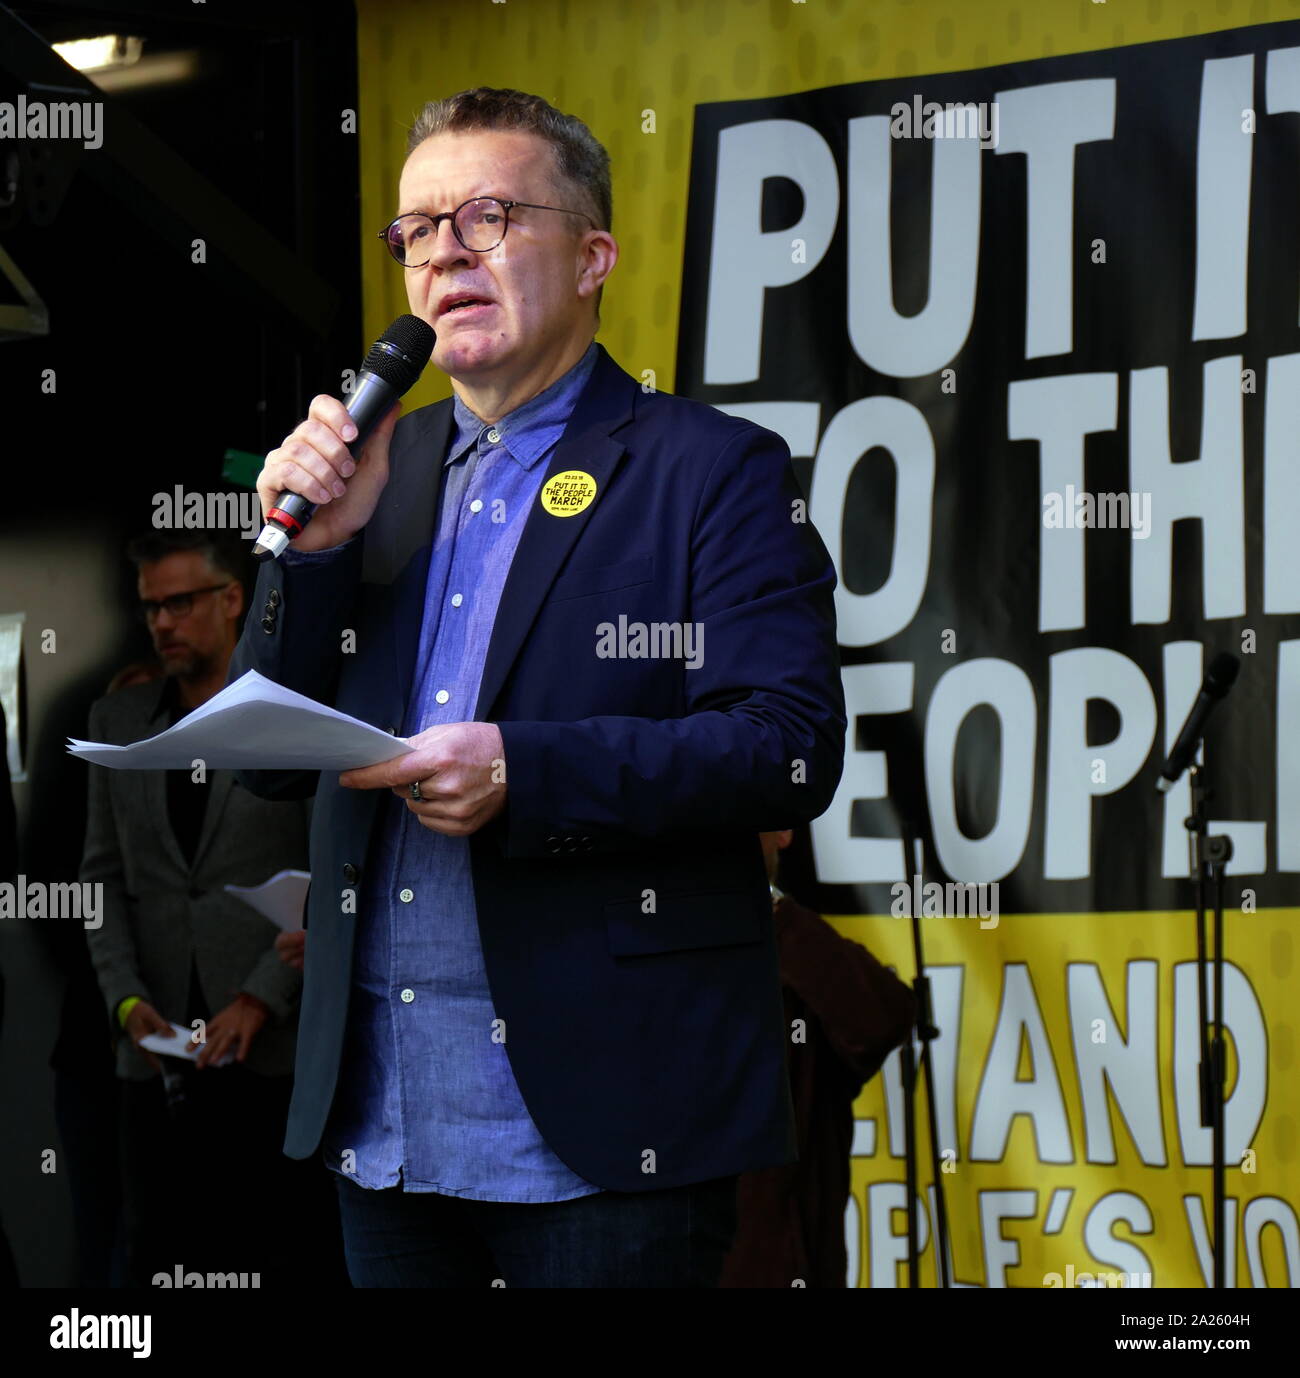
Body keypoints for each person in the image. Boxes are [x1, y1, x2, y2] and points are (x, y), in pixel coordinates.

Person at [230, 86, 846, 1288]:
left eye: (490, 216)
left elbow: (787, 746)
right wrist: (315, 561)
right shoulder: (380, 472)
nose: (444, 252)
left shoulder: (709, 469)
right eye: (415, 230)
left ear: (593, 257)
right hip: (388, 1123)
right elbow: (262, 758)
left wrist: (526, 770)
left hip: (609, 1127)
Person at [80, 531, 338, 1286]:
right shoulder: (116, 721)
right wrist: (124, 998)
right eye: (151, 608)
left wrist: (262, 996)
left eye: (180, 603)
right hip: (156, 1054)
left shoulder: (288, 715)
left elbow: (325, 874)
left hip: (270, 1053)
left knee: (277, 1251)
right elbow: (99, 878)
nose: (161, 622)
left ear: (233, 600)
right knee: (158, 1250)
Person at [720, 830, 917, 1288]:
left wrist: (766, 910)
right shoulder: (652, 945)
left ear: (783, 831)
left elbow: (882, 1018)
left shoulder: (795, 946)